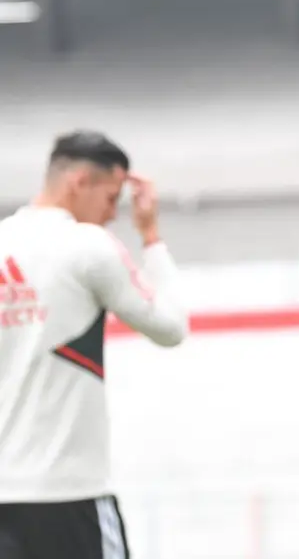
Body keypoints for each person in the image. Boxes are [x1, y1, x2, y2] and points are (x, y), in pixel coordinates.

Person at [0, 130, 189, 559]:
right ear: (79, 182)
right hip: (70, 495)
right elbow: (171, 327)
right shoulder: (86, 245)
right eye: (111, 198)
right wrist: (151, 235)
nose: (111, 215)